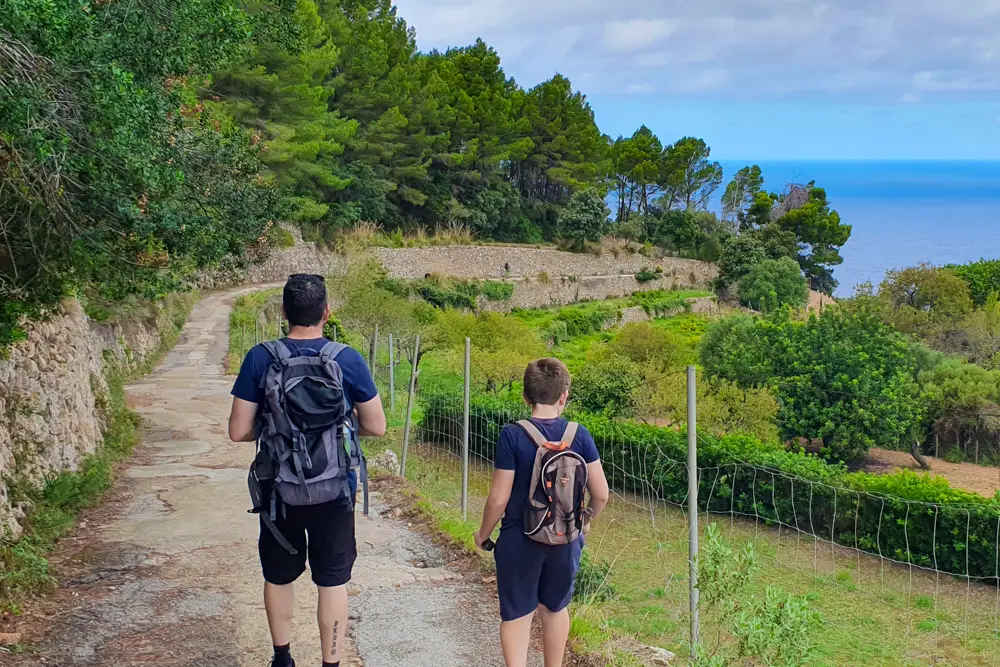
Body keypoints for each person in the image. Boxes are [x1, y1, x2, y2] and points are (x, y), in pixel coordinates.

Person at [229, 274, 386, 667]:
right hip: (335, 488)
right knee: (332, 580)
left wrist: (274, 430)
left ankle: (282, 658)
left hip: (279, 490)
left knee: (279, 574)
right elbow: (378, 426)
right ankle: (331, 662)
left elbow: (238, 431)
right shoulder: (346, 358)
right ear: (326, 312)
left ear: (284, 312)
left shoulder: (260, 357)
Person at [473, 358, 610, 667]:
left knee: (518, 613)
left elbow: (498, 499)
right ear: (564, 396)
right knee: (555, 609)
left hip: (518, 538)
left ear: (525, 396)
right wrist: (583, 522)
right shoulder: (580, 435)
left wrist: (483, 534)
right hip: (565, 539)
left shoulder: (512, 435)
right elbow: (601, 494)